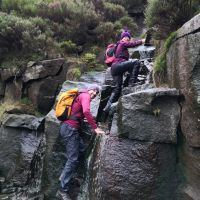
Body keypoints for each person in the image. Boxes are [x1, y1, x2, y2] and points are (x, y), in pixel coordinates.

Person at [56, 85, 105, 200]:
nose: (93, 94)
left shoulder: (80, 95)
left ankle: (71, 176)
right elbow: (86, 111)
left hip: (70, 129)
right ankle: (62, 190)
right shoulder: (85, 95)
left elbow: (79, 113)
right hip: (70, 129)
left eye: (96, 94)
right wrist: (95, 128)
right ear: (89, 89)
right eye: (93, 91)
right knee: (73, 158)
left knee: (82, 151)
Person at [103, 30, 145, 113]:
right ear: (122, 38)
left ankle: (107, 108)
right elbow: (132, 44)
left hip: (114, 69)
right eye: (126, 37)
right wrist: (142, 41)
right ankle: (132, 84)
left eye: (128, 38)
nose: (127, 39)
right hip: (118, 65)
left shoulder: (118, 46)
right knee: (136, 62)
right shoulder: (122, 43)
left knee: (117, 89)